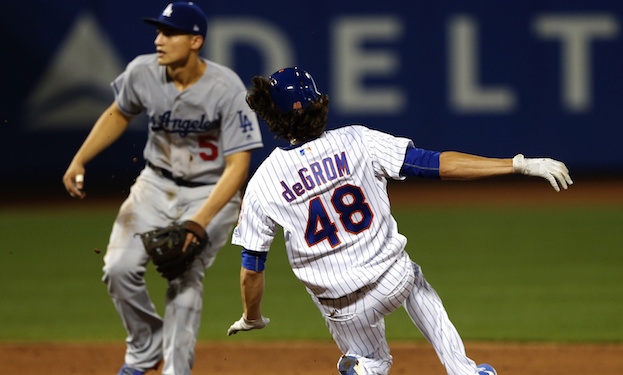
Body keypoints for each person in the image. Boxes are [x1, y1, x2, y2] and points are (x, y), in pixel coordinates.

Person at [225, 67, 572, 375]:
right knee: (416, 282)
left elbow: (252, 267)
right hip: (394, 278)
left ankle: (365, 367)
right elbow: (435, 165)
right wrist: (516, 164)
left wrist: (251, 315)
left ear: (272, 116)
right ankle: (463, 371)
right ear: (318, 105)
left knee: (373, 361)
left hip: (342, 306)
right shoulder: (358, 140)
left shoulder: (263, 182)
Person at [62, 2, 263, 374]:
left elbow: (238, 167)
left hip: (211, 192)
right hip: (154, 184)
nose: (159, 40)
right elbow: (119, 113)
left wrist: (199, 223)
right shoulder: (142, 72)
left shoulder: (226, 88)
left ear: (195, 41)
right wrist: (79, 159)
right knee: (118, 269)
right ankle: (146, 347)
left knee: (184, 277)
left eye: (170, 33)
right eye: (158, 32)